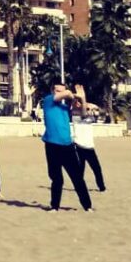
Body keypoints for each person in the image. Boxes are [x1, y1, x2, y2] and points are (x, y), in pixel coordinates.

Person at [42, 83, 93, 212]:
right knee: (57, 179)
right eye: (58, 90)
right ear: (53, 90)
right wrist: (72, 94)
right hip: (52, 146)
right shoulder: (48, 101)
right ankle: (54, 206)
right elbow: (66, 94)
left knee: (77, 178)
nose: (61, 92)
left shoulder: (65, 107)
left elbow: (83, 113)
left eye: (62, 90)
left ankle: (87, 206)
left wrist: (83, 98)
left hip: (68, 146)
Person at [73, 100, 106, 193]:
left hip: (89, 147)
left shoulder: (90, 116)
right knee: (80, 170)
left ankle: (101, 187)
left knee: (97, 168)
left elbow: (102, 112)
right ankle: (79, 187)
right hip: (78, 146)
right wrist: (87, 106)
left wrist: (90, 105)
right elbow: (82, 112)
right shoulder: (75, 114)